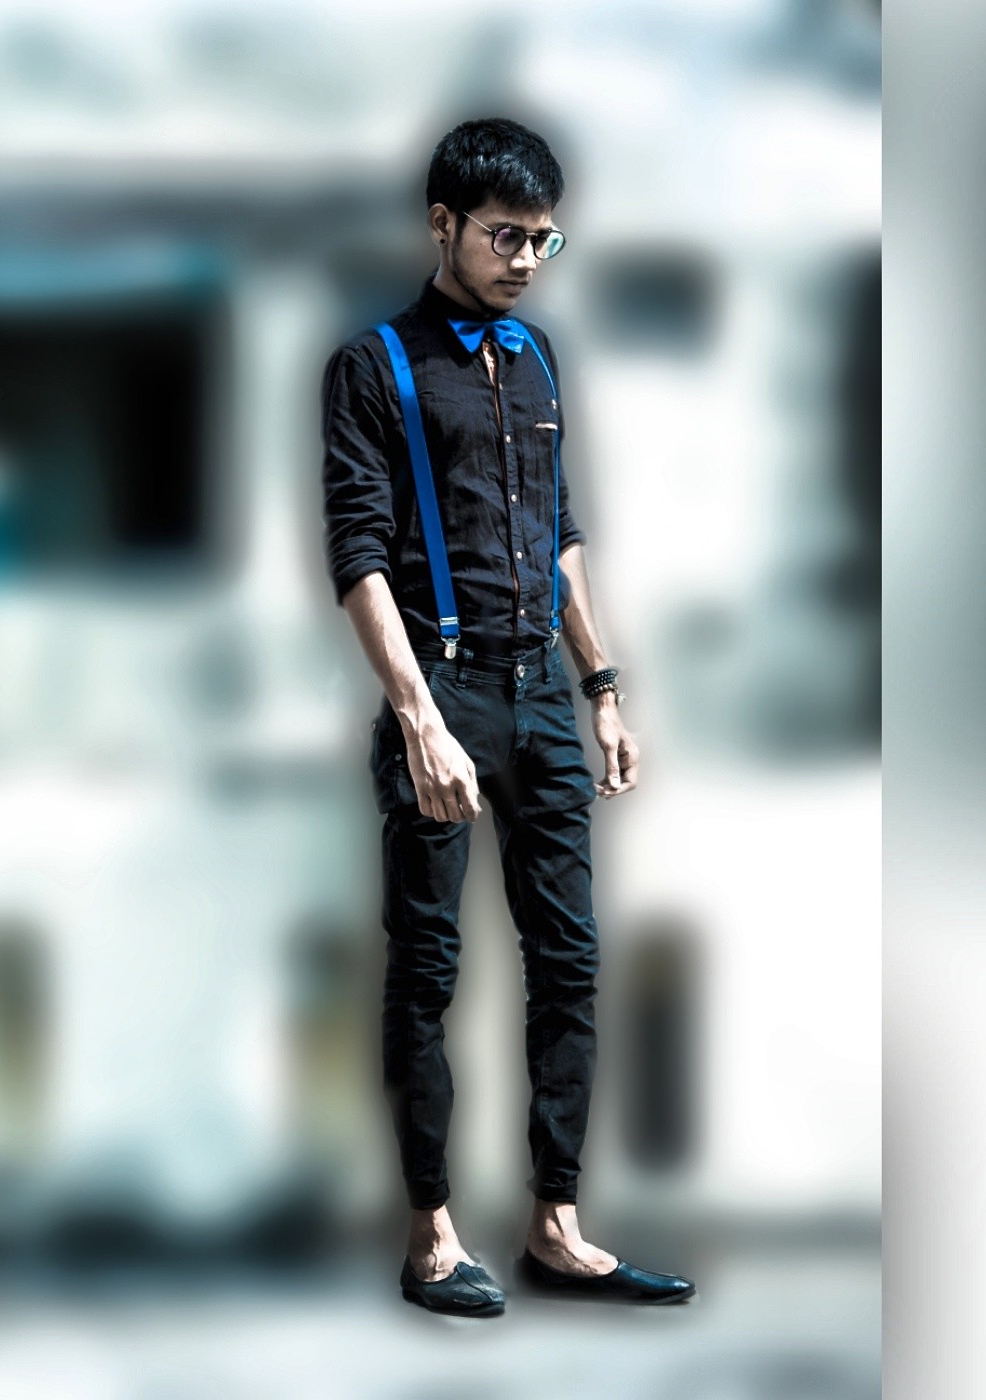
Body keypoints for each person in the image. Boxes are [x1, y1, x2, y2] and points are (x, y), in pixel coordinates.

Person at [320, 117, 696, 1316]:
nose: (528, 258)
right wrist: (416, 717)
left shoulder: (536, 360)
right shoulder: (373, 365)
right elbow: (357, 554)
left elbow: (559, 536)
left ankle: (556, 1225)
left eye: (543, 238)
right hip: (441, 687)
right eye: (506, 236)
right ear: (441, 224)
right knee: (427, 968)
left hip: (539, 694)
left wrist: (603, 686)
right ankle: (431, 1233)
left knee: (570, 960)